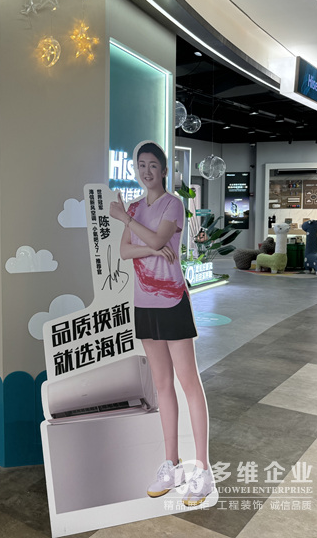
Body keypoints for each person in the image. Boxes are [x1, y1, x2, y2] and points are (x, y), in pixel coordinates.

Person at [108, 141, 213, 507]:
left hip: (172, 301)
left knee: (189, 383)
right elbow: (125, 251)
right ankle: (172, 464)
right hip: (144, 303)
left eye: (153, 165)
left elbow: (155, 236)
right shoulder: (136, 207)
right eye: (141, 165)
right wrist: (150, 247)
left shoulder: (173, 204)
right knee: (162, 385)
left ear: (164, 170)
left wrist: (127, 221)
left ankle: (204, 469)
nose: (146, 171)